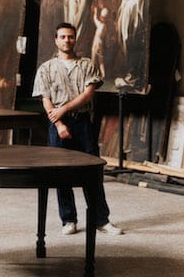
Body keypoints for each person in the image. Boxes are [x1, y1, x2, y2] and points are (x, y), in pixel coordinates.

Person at [32, 22, 124, 236]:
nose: (67, 40)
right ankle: (68, 219)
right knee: (60, 172)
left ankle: (101, 219)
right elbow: (46, 100)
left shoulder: (87, 65)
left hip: (82, 123)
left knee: (92, 171)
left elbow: (88, 94)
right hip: (58, 125)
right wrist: (59, 123)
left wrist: (63, 110)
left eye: (70, 37)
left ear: (75, 39)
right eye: (63, 37)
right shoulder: (46, 68)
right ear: (56, 40)